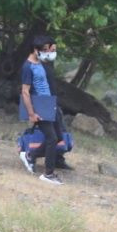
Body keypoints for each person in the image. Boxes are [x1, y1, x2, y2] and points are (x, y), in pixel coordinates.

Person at [19, 36, 63, 185]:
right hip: (39, 107)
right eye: (44, 50)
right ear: (35, 50)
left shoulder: (41, 64)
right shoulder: (28, 66)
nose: (47, 53)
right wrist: (31, 113)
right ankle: (48, 174)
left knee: (58, 136)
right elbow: (25, 91)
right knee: (51, 138)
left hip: (49, 104)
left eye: (49, 50)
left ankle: (31, 155)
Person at [40, 37, 73, 171]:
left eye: (54, 50)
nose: (53, 53)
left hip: (52, 103)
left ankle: (58, 158)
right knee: (54, 136)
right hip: (44, 104)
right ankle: (38, 156)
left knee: (60, 134)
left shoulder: (48, 64)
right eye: (51, 50)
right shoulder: (38, 66)